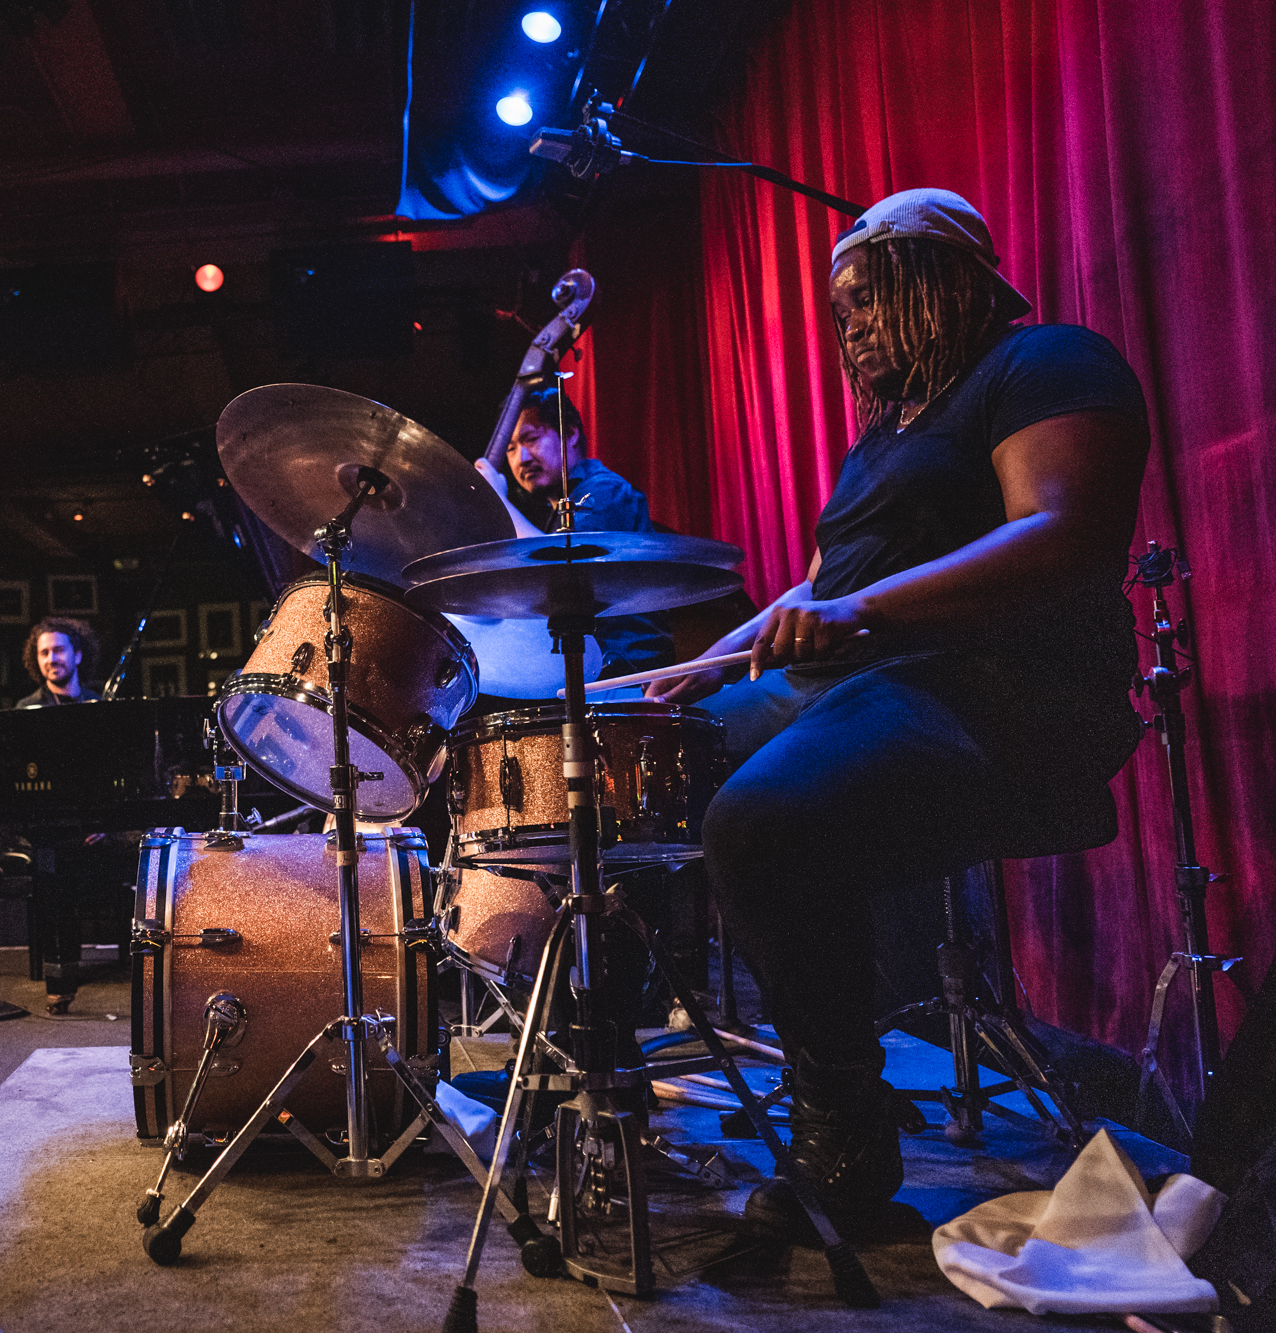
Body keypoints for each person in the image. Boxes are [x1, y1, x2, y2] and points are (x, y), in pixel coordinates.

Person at [648, 189, 1149, 1238]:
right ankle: (612, 1084)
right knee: (638, 775)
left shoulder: (1042, 362)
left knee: (761, 819)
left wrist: (856, 611)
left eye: (867, 297)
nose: (851, 326)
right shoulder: (879, 441)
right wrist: (709, 665)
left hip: (998, 691)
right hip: (862, 686)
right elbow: (814, 583)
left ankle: (843, 1138)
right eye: (839, 311)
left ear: (946, 283)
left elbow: (1062, 536)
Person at [473, 383, 675, 679]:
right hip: (591, 678)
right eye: (511, 448)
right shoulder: (555, 515)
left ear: (570, 434)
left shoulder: (605, 490)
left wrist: (498, 501)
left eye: (530, 439)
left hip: (629, 681)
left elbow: (555, 567)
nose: (521, 459)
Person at [14, 617, 102, 708]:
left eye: (59, 650)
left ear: (77, 656)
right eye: (44, 653)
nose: (52, 659)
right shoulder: (27, 707)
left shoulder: (98, 702)